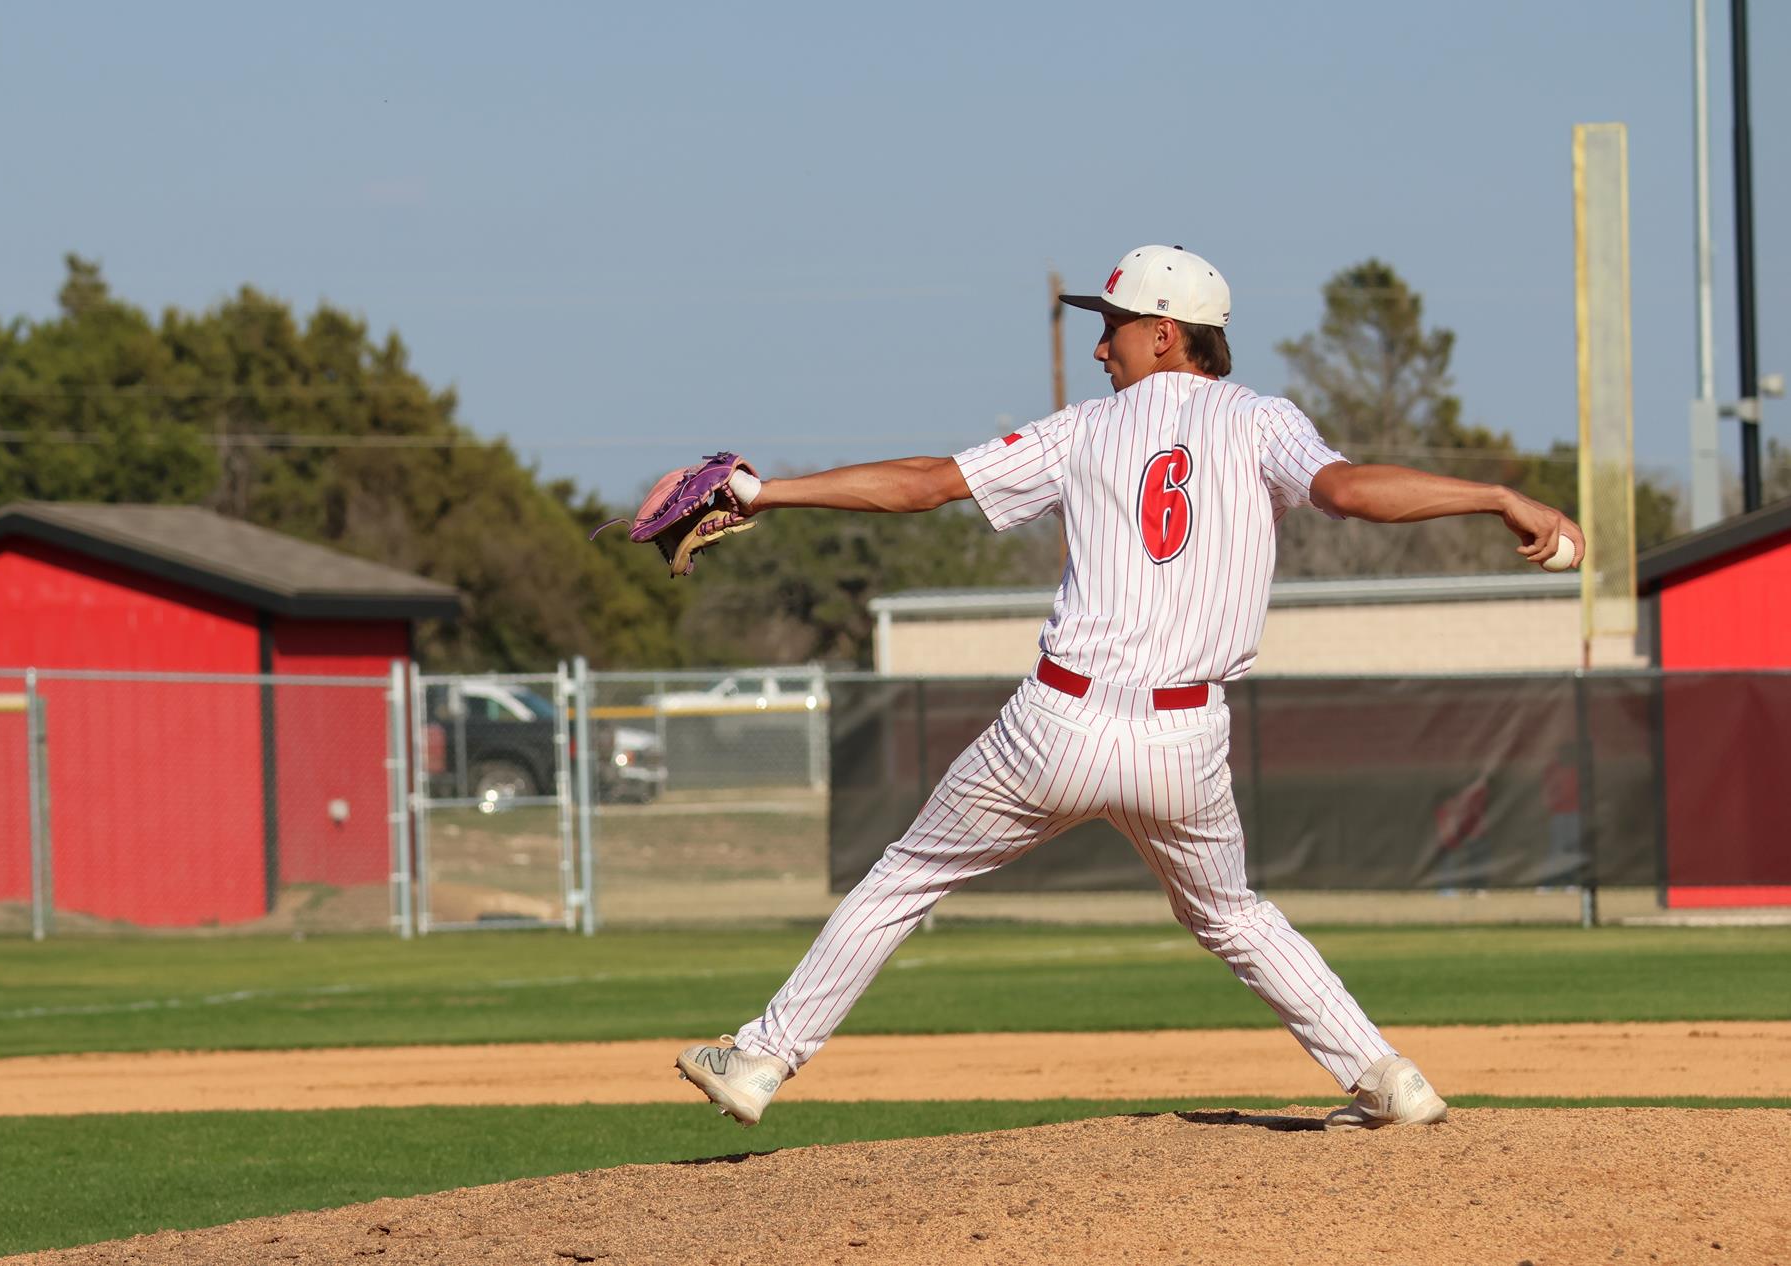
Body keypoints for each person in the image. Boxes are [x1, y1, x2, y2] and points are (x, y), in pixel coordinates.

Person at [674, 244, 1585, 1131]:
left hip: (1056, 724)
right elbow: (1352, 492)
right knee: (1233, 918)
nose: (1101, 345)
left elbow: (925, 484)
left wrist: (763, 492)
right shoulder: (1263, 421)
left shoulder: (1085, 429)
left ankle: (762, 1058)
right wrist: (1497, 496)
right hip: (1183, 741)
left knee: (907, 876)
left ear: (1165, 333)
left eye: (1112, 325)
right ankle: (1386, 1078)